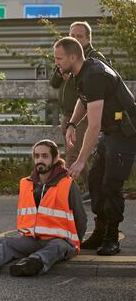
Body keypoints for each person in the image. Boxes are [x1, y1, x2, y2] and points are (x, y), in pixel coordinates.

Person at [0, 140, 86, 276]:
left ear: (55, 158)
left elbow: (81, 219)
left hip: (61, 241)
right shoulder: (26, 184)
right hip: (33, 239)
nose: (40, 160)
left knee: (55, 248)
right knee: (2, 242)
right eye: (37, 156)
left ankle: (32, 264)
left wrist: (74, 245)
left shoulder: (68, 184)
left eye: (45, 156)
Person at [54, 37, 136, 255]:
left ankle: (111, 237)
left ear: (73, 57)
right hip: (111, 133)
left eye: (59, 58)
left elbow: (95, 124)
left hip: (125, 133)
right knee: (95, 180)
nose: (56, 63)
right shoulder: (82, 72)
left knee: (111, 185)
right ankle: (99, 231)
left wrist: (81, 160)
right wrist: (72, 123)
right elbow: (83, 100)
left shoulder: (94, 75)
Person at [50, 21, 106, 194]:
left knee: (73, 155)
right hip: (68, 113)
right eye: (72, 35)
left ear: (88, 38)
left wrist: (72, 77)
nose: (74, 38)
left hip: (86, 114)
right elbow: (54, 82)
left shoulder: (94, 58)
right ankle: (94, 190)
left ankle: (67, 193)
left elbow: (94, 86)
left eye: (79, 36)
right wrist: (61, 72)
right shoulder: (65, 56)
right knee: (77, 154)